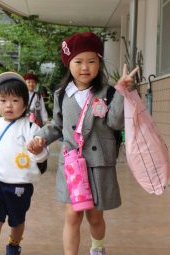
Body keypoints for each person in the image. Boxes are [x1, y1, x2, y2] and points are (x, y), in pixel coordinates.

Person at [27, 32, 139, 255]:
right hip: (72, 165)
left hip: (98, 164)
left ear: (99, 63)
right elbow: (57, 126)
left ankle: (97, 248)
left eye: (91, 61)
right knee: (72, 214)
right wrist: (40, 138)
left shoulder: (107, 92)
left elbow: (116, 123)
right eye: (78, 61)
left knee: (95, 216)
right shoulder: (61, 95)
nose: (85, 67)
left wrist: (121, 92)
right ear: (69, 64)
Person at [0, 72, 48, 255]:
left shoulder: (31, 128)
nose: (9, 105)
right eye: (3, 100)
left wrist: (38, 150)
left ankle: (14, 245)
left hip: (20, 185)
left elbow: (41, 157)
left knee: (17, 220)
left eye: (15, 100)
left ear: (25, 103)